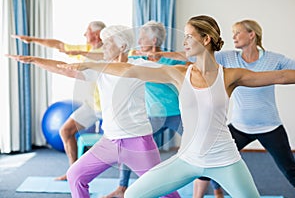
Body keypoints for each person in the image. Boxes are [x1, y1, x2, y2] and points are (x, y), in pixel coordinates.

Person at [55, 14, 295, 198]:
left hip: (225, 159)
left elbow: (280, 76)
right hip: (187, 159)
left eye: (188, 36)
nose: (183, 41)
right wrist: (91, 65)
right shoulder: (179, 74)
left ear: (205, 39)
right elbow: (131, 69)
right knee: (132, 194)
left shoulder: (230, 75)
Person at [7, 25, 181, 198]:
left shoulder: (140, 66)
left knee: (165, 190)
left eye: (107, 43)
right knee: (75, 175)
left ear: (121, 46)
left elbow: (169, 74)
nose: (102, 47)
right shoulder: (100, 69)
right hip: (110, 141)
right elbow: (64, 68)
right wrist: (34, 60)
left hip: (137, 142)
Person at [193, 19, 295, 197]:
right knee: (209, 159)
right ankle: (212, 192)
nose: (233, 36)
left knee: (291, 171)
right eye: (233, 33)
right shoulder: (228, 58)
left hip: (270, 127)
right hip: (239, 126)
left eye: (238, 32)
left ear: (252, 35)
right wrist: (162, 55)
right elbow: (196, 56)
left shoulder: (274, 59)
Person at [103, 20, 188, 198]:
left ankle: (216, 189)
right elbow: (117, 63)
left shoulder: (171, 59)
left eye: (142, 38)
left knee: (199, 146)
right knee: (129, 147)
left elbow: (190, 64)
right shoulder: (135, 59)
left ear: (154, 41)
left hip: (175, 114)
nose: (139, 41)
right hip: (151, 116)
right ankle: (122, 187)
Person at [12, 21, 106, 181]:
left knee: (122, 144)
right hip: (91, 107)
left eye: (87, 31)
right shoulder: (86, 50)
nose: (84, 34)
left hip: (109, 108)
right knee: (66, 131)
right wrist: (33, 40)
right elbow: (59, 45)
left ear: (96, 34)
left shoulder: (111, 51)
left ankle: (126, 182)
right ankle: (73, 172)